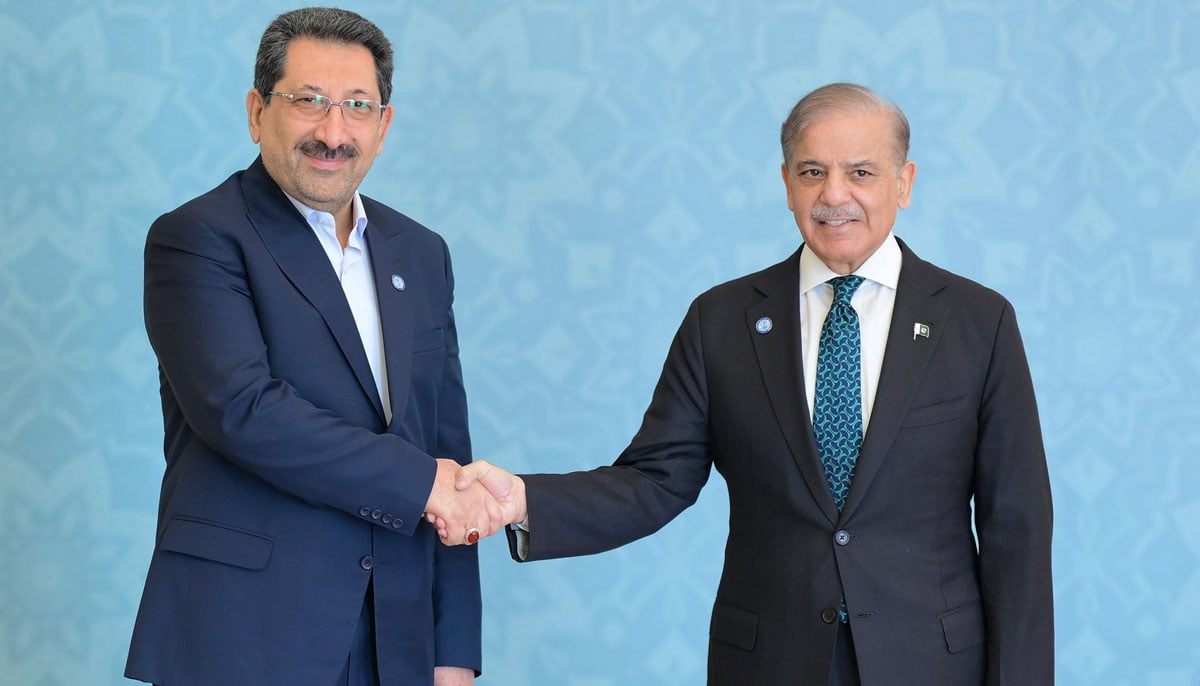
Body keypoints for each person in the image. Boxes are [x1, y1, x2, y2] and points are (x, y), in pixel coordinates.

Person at [447, 83, 1054, 685]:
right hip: (770, 660)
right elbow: (654, 481)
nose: (834, 195)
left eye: (861, 172)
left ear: (904, 182)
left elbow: (1017, 526)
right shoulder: (722, 321)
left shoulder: (978, 321)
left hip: (931, 662)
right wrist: (524, 500)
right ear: (787, 183)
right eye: (813, 172)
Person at [125, 8, 501, 685]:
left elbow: (446, 440)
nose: (334, 132)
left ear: (383, 127)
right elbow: (245, 410)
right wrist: (426, 485)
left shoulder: (420, 252)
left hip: (397, 637)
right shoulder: (198, 238)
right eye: (309, 102)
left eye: (357, 107)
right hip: (245, 633)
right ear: (256, 111)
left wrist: (454, 648)